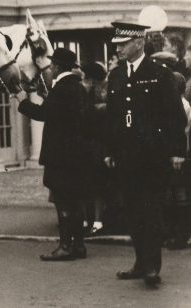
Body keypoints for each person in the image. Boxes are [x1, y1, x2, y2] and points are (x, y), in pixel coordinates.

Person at [103, 21, 187, 287]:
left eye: (123, 44)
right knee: (133, 209)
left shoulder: (159, 74)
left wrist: (176, 152)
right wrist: (110, 150)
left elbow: (174, 116)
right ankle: (140, 263)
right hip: (127, 156)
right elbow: (112, 118)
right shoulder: (116, 76)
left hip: (153, 155)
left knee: (150, 210)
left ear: (138, 43)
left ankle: (152, 266)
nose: (118, 49)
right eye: (116, 45)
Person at [17, 48, 93, 261]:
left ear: (57, 66)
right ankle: (78, 245)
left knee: (63, 201)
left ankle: (65, 246)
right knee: (76, 201)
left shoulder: (61, 89)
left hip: (60, 156)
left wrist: (22, 101)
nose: (50, 68)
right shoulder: (79, 87)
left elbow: (43, 114)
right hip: (77, 155)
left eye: (52, 65)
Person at [80, 61, 109, 236]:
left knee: (97, 183)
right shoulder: (84, 93)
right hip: (88, 143)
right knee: (86, 183)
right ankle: (87, 220)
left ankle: (96, 220)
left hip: (96, 143)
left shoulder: (101, 96)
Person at [163, 71, 191, 250]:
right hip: (181, 153)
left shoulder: (181, 106)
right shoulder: (183, 104)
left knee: (178, 195)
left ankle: (180, 235)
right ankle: (178, 233)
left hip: (179, 155)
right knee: (176, 194)